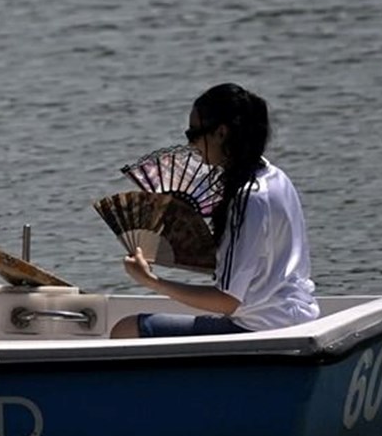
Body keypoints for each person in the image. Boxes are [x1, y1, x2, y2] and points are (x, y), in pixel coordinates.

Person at [110, 83, 319, 338]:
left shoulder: (248, 199)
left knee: (126, 329)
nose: (191, 144)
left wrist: (151, 281)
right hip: (297, 316)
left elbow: (227, 302)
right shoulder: (276, 177)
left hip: (258, 329)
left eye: (194, 133)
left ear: (221, 133)